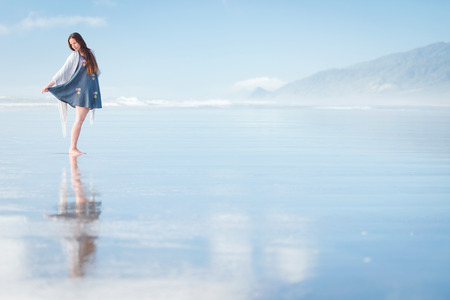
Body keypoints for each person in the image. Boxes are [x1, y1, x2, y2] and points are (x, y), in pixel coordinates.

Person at [42, 32, 102, 156]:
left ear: (80, 40)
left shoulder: (91, 53)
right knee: (79, 120)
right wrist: (49, 84)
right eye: (71, 44)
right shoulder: (74, 56)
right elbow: (63, 71)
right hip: (80, 91)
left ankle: (73, 148)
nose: (73, 46)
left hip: (90, 90)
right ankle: (72, 148)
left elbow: (96, 71)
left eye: (74, 43)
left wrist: (93, 85)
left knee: (81, 120)